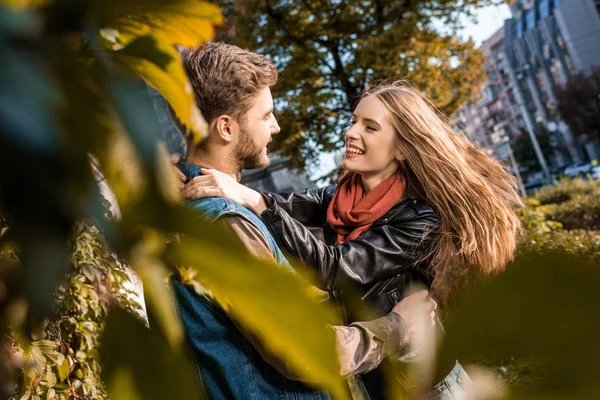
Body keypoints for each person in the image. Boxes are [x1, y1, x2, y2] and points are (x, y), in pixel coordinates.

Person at [181, 80, 524, 398]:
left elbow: (337, 267)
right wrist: (182, 171)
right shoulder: (339, 198)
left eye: (370, 127)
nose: (351, 133)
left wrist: (252, 198)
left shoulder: (419, 218)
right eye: (354, 121)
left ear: (402, 148)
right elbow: (283, 207)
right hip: (377, 378)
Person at [161, 43, 437, 400]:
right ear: (226, 128)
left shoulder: (177, 205)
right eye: (265, 116)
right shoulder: (226, 222)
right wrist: (397, 327)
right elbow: (302, 348)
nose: (275, 127)